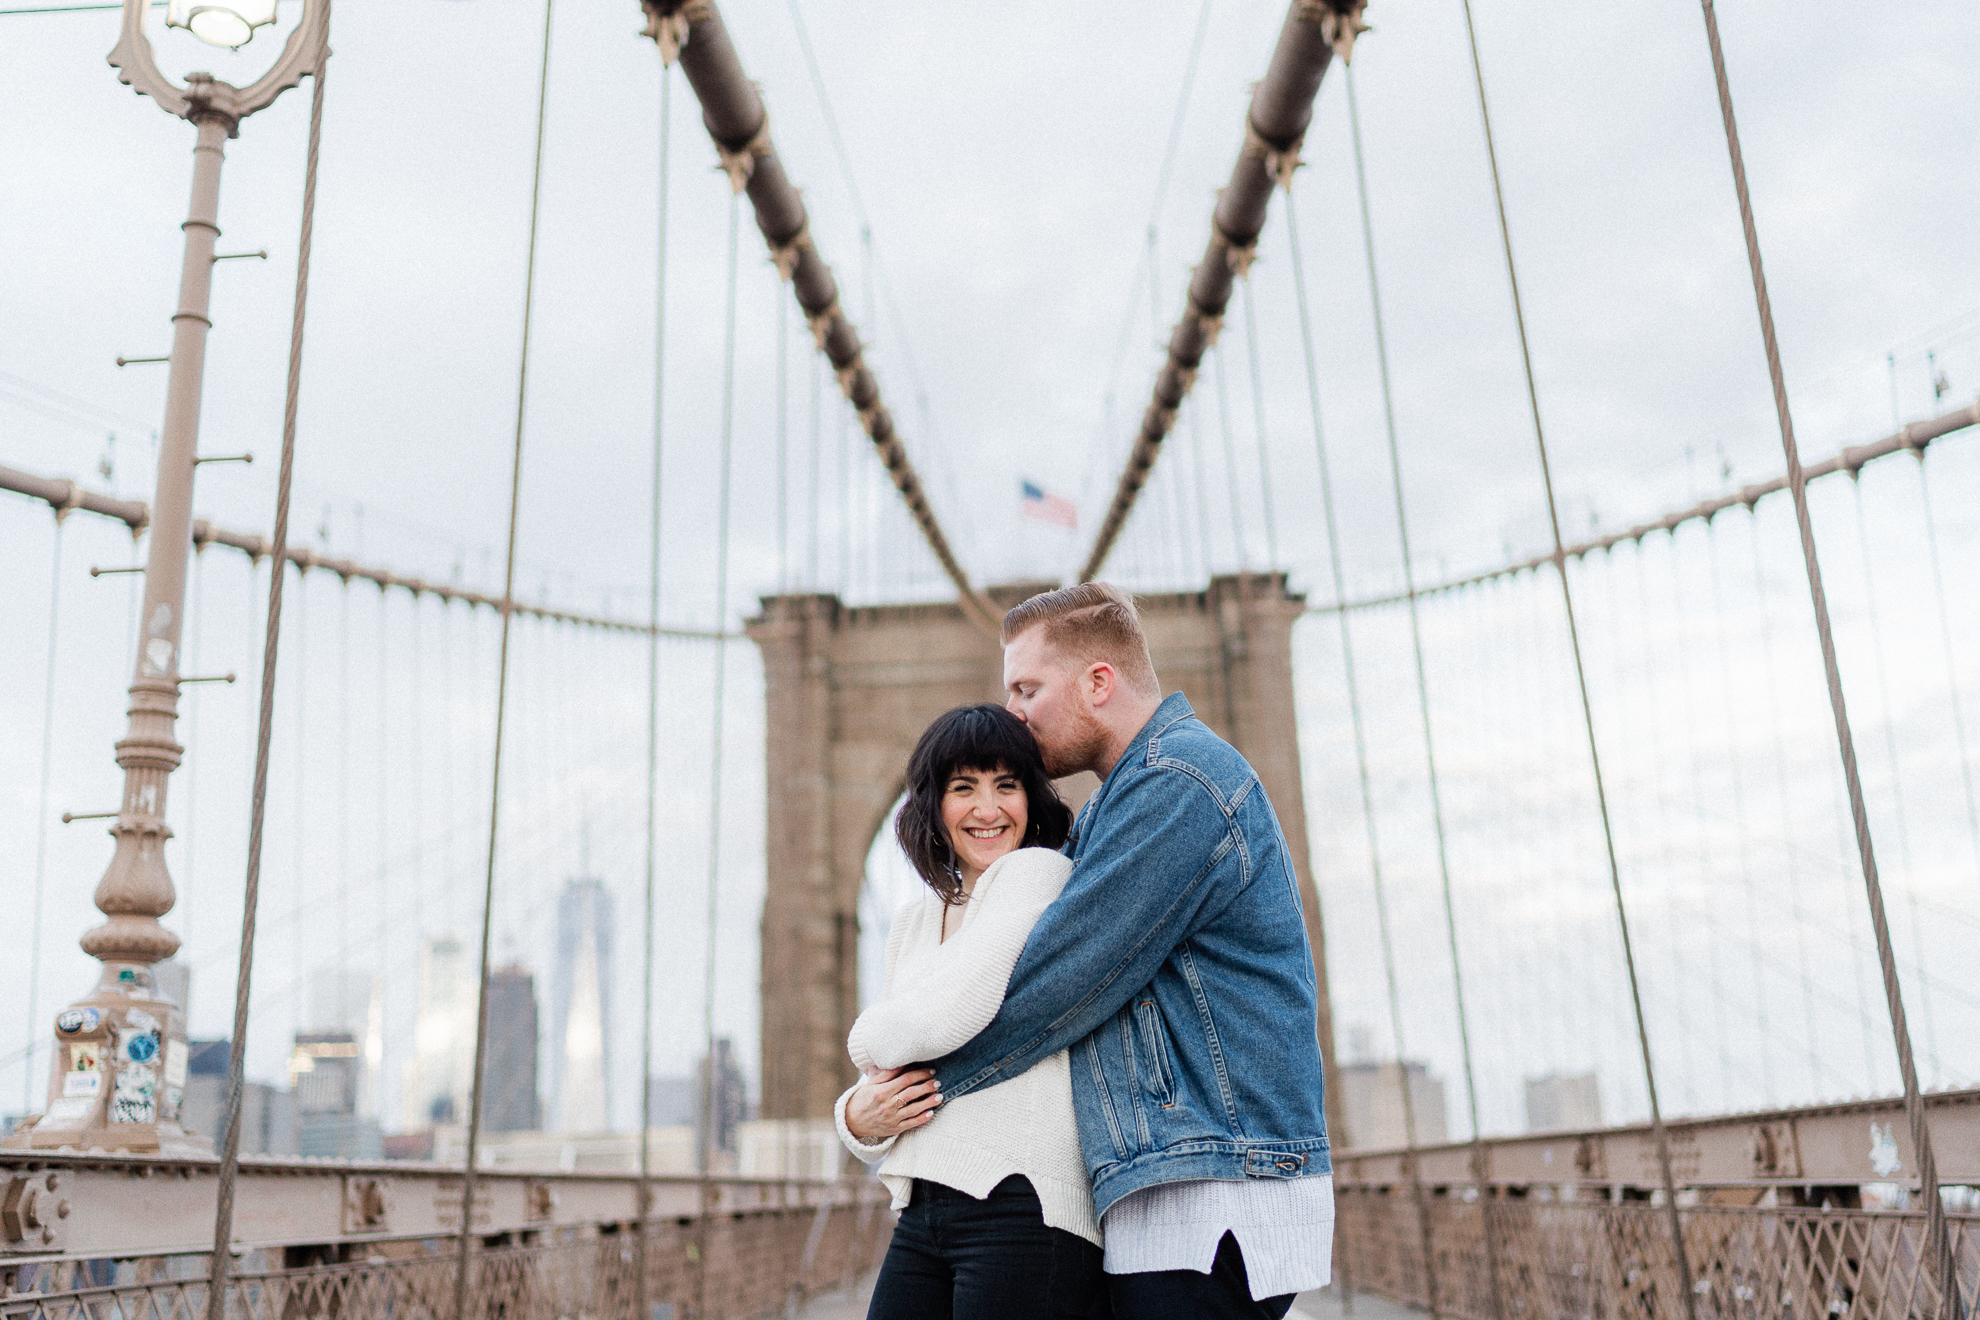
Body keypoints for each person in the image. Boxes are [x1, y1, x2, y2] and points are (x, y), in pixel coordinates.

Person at [925, 583, 1334, 1319]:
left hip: (1216, 1190)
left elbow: (1064, 979)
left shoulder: (1179, 783)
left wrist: (915, 1087)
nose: (1013, 712)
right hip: (1170, 1183)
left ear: (1099, 682)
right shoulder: (1116, 806)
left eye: (1027, 688)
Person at [833, 703, 1107, 1320]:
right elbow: (886, 1080)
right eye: (964, 789)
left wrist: (866, 1042)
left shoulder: (1038, 874)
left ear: (1032, 799)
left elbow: (948, 1016)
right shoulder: (912, 922)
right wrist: (856, 1116)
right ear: (934, 806)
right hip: (923, 1207)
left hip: (1022, 1208)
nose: (988, 809)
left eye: (1006, 786)